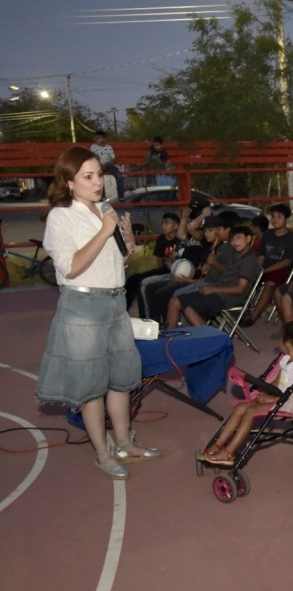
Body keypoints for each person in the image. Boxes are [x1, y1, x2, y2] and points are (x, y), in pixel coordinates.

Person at [35, 146, 159, 480]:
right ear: (69, 182)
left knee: (120, 379)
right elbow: (71, 268)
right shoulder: (62, 216)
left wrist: (128, 244)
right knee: (92, 386)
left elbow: (115, 264)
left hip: (115, 301)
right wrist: (105, 231)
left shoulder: (104, 209)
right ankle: (102, 455)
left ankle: (123, 443)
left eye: (99, 174)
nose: (97, 182)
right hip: (83, 306)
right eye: (88, 176)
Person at [198, 320, 293, 466]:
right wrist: (265, 392)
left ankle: (229, 452)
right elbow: (278, 381)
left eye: (281, 338)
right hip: (277, 398)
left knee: (249, 412)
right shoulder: (286, 358)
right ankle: (218, 445)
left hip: (289, 404)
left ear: (288, 343)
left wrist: (273, 398)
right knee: (240, 408)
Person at [167, 225, 260, 327]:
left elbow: (240, 289)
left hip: (228, 298)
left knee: (190, 310)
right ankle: (170, 340)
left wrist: (213, 289)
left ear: (248, 238)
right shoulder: (237, 255)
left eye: (238, 238)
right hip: (218, 290)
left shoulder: (249, 260)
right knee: (174, 302)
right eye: (232, 239)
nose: (234, 242)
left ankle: (213, 341)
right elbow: (225, 273)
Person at [243, 202, 293, 325]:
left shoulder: (291, 238)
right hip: (265, 269)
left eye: (279, 216)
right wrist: (258, 268)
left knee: (270, 285)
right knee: (245, 276)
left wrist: (266, 270)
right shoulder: (267, 235)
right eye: (273, 216)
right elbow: (262, 256)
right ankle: (240, 310)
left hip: (282, 272)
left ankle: (252, 317)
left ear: (286, 219)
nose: (275, 220)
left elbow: (287, 262)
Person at [125, 212, 185, 315]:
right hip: (162, 269)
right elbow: (159, 261)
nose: (164, 226)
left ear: (175, 226)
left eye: (167, 223)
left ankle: (145, 313)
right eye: (163, 223)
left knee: (143, 281)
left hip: (173, 271)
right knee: (132, 279)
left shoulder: (180, 239)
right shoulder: (161, 239)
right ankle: (125, 309)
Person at [89, 130, 124, 201]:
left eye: (98, 138)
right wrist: (100, 164)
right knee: (98, 178)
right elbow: (93, 157)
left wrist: (107, 163)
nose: (96, 139)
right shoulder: (93, 147)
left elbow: (113, 158)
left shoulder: (108, 147)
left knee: (119, 176)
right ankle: (101, 197)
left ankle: (121, 196)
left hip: (108, 165)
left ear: (103, 139)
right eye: (95, 138)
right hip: (98, 165)